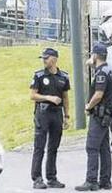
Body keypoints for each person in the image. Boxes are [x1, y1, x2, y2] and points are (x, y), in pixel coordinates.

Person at [77, 44, 112, 191]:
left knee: (92, 147)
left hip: (99, 115)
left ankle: (91, 180)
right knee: (104, 148)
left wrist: (88, 106)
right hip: (106, 115)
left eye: (92, 55)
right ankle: (105, 181)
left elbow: (99, 94)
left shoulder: (101, 73)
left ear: (95, 56)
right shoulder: (107, 70)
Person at [30, 48, 70, 189]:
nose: (44, 60)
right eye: (43, 58)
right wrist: (48, 97)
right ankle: (37, 178)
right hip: (43, 113)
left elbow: (65, 97)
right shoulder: (39, 76)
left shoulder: (63, 76)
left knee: (54, 147)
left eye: (47, 58)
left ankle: (51, 177)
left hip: (57, 114)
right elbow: (33, 95)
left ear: (54, 59)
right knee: (39, 147)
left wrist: (67, 116)